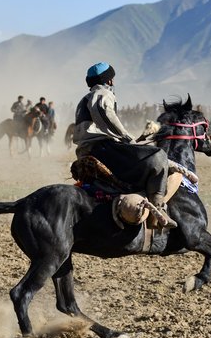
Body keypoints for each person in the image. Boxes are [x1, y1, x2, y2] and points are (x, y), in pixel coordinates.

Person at [72, 62, 175, 228]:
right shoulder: (102, 93)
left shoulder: (86, 97)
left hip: (92, 148)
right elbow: (104, 113)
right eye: (112, 78)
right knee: (158, 156)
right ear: (110, 81)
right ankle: (159, 209)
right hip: (102, 147)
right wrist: (127, 138)